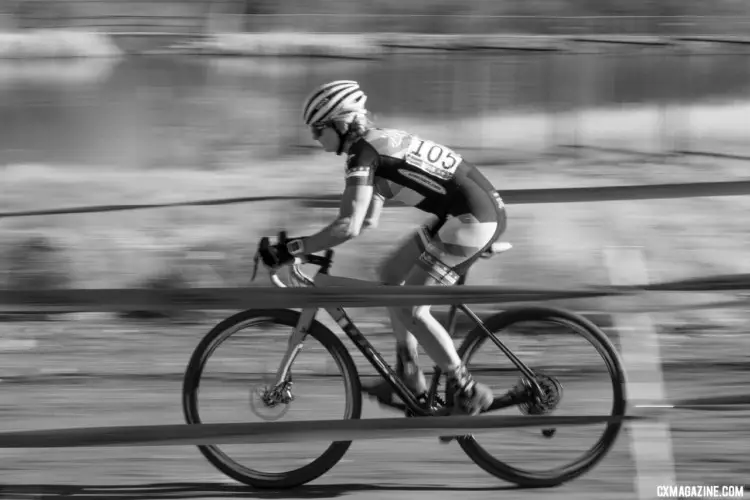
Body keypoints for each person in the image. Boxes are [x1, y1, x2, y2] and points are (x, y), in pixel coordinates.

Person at [258, 80, 507, 416]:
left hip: (471, 219)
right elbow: (367, 220)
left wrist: (293, 248)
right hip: (461, 214)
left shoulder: (365, 153)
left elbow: (349, 224)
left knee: (411, 307)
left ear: (341, 123)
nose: (316, 139)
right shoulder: (375, 145)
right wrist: (303, 246)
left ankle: (466, 388)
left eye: (319, 131)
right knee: (390, 275)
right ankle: (408, 374)